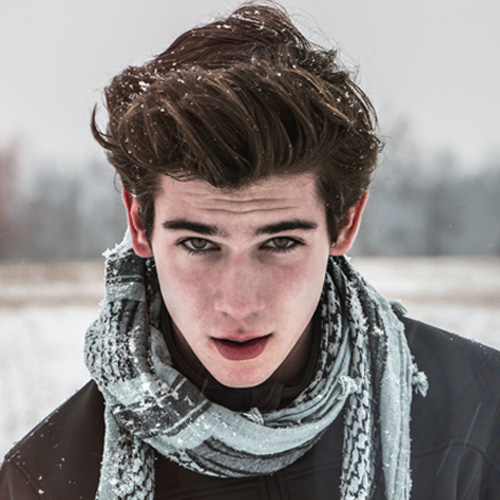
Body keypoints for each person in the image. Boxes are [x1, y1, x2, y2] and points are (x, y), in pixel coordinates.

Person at [1, 2, 499, 499]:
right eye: (198, 243)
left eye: (280, 242)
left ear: (346, 222)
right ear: (138, 222)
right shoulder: (44, 479)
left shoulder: (480, 419)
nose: (238, 304)